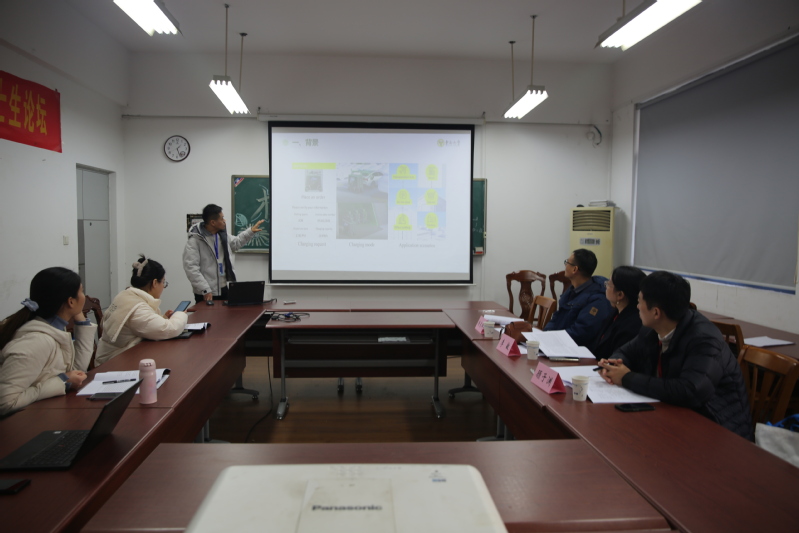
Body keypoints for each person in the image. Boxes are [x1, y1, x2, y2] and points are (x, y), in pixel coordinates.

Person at [598, 271, 752, 439]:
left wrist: (626, 378)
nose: (637, 306)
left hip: (719, 429)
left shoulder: (704, 340)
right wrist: (613, 365)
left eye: (640, 301)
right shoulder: (652, 329)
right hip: (673, 414)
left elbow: (689, 391)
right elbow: (626, 351)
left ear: (656, 312)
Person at [0, 267, 96, 415]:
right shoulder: (37, 342)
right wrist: (62, 381)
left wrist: (80, 320)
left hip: (38, 413)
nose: (84, 296)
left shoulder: (53, 326)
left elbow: (77, 369)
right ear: (71, 301)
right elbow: (5, 403)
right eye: (82, 291)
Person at [95, 256, 189, 366]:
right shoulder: (138, 309)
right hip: (113, 364)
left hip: (119, 357)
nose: (163, 286)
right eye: (163, 282)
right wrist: (179, 314)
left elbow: (142, 326)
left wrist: (162, 319)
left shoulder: (126, 295)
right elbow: (170, 329)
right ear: (155, 283)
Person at [183, 204, 264, 302]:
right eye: (222, 218)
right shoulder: (195, 240)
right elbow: (191, 268)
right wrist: (205, 289)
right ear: (213, 222)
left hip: (224, 288)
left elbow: (236, 243)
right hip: (206, 292)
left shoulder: (222, 235)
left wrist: (250, 231)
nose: (224, 221)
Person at [544, 249, 613, 346]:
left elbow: (580, 333)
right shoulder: (572, 289)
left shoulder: (598, 299)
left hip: (575, 348)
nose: (565, 265)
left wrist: (552, 339)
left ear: (575, 269)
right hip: (559, 342)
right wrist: (545, 335)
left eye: (567, 262)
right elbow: (557, 318)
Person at [589, 266, 647, 360]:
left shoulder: (632, 326)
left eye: (609, 284)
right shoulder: (616, 312)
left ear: (620, 295)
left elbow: (616, 359)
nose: (606, 286)